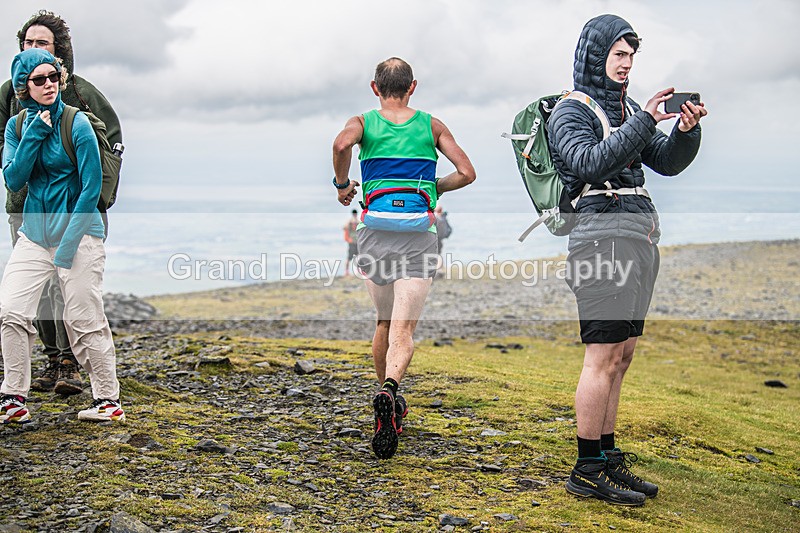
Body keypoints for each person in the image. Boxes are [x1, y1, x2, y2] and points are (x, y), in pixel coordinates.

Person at [547, 14, 707, 505]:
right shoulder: (570, 113)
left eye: (632, 56)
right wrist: (643, 121)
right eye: (619, 54)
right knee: (601, 356)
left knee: (623, 353)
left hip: (637, 234)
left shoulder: (629, 107)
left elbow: (666, 162)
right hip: (599, 240)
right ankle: (586, 467)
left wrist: (683, 131)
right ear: (597, 55)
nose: (628, 63)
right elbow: (590, 163)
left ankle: (608, 456)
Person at [332, 57, 475, 459]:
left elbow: (341, 145)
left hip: (375, 232)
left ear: (374, 88)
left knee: (382, 320)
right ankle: (391, 391)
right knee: (404, 331)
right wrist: (434, 189)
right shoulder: (432, 125)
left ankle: (387, 401)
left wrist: (343, 185)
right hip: (417, 235)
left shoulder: (363, 122)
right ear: (413, 86)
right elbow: (466, 172)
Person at [0, 10, 123, 397]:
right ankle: (49, 363)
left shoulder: (82, 98)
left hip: (77, 214)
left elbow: (111, 147)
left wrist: (100, 201)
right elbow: (11, 161)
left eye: (44, 45)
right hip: (28, 211)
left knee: (75, 297)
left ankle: (82, 372)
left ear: (60, 55)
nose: (36, 51)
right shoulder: (10, 97)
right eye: (29, 43)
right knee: (29, 295)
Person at [433, 205, 452, 271]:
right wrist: (446, 235)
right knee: (438, 253)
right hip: (439, 238)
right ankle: (440, 268)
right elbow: (450, 229)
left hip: (436, 238)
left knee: (436, 254)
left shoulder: (438, 218)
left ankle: (438, 269)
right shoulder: (443, 218)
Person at [343, 209, 359, 276]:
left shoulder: (358, 221)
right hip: (352, 243)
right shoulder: (349, 222)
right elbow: (344, 228)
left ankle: (358, 271)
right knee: (349, 258)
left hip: (357, 243)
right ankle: (346, 272)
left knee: (359, 258)